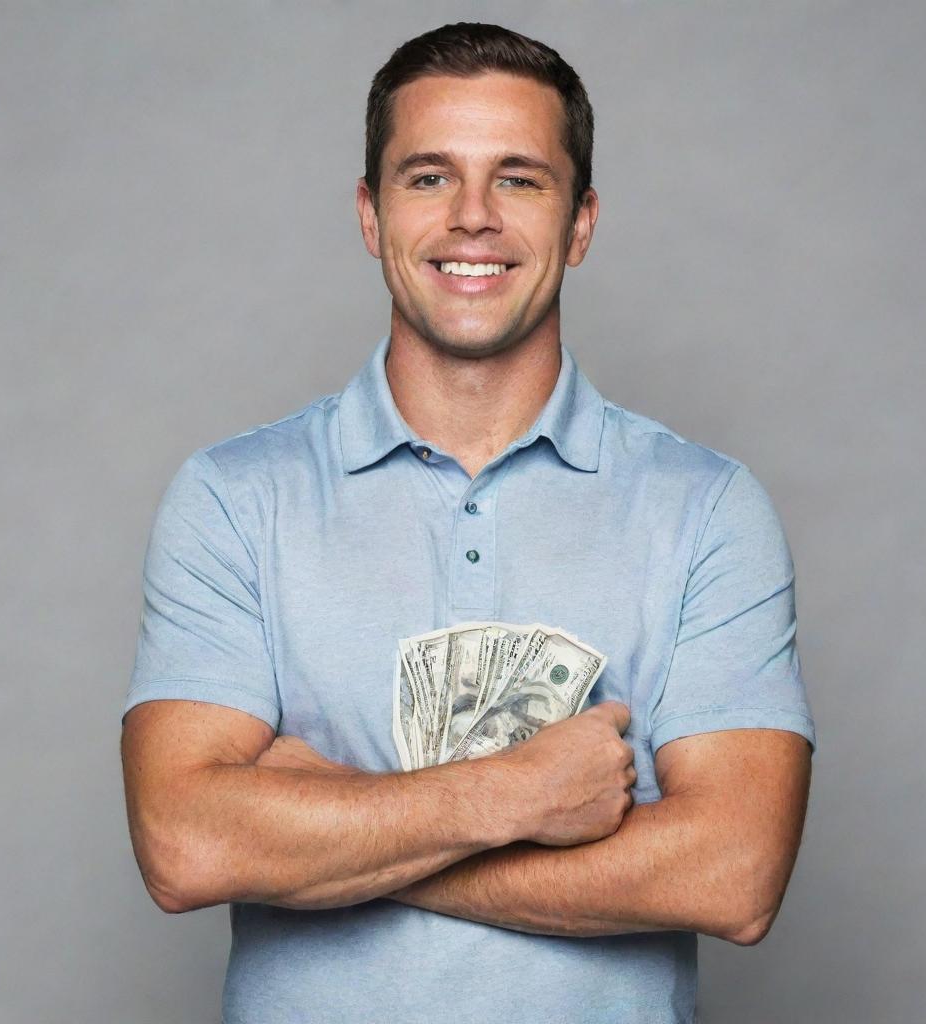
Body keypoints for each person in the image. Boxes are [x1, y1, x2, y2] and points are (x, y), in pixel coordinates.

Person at [120, 21, 816, 1024]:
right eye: (429, 177)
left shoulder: (705, 509)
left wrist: (336, 827)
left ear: (580, 222)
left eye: (520, 179)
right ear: (370, 214)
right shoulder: (234, 498)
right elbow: (186, 845)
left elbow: (733, 873)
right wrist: (519, 795)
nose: (473, 218)